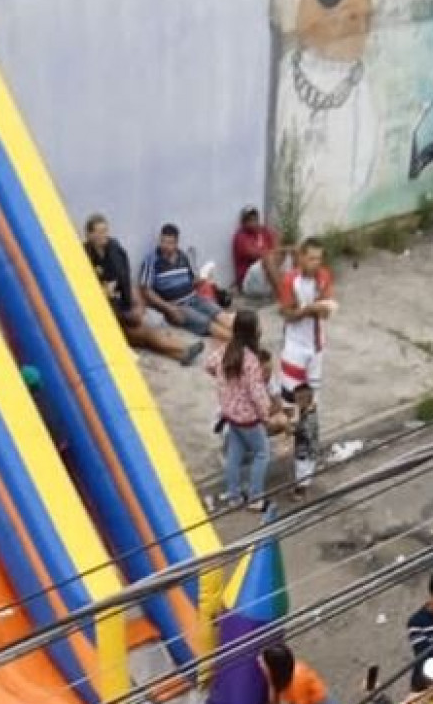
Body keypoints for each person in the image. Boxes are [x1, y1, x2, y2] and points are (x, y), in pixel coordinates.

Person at [84, 212, 199, 363]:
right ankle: (183, 350)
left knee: (143, 332)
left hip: (120, 303)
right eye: (100, 232)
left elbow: (126, 280)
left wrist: (136, 304)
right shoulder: (84, 255)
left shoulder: (114, 250)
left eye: (106, 230)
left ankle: (181, 353)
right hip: (105, 311)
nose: (104, 235)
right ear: (89, 234)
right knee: (143, 334)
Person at [206, 309, 286, 512]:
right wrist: (266, 414)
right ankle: (255, 498)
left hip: (230, 415)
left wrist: (225, 383)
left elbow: (208, 365)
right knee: (262, 453)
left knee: (235, 454)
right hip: (249, 418)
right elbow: (256, 393)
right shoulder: (250, 360)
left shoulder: (226, 351)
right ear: (253, 332)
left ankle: (233, 496)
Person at [276, 237, 336, 494]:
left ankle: (304, 476)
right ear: (300, 257)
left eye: (318, 258)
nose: (315, 263)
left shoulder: (324, 277)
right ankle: (285, 454)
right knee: (289, 407)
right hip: (294, 350)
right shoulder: (291, 280)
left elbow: (327, 310)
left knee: (309, 411)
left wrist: (311, 309)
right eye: (311, 258)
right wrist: (309, 308)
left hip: (315, 351)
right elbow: (287, 313)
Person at [140, 223, 232, 343]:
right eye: (163, 241)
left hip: (194, 298)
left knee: (218, 312)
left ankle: (247, 339)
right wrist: (168, 308)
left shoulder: (183, 256)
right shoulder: (151, 260)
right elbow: (145, 290)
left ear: (177, 243)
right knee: (206, 322)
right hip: (176, 306)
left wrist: (201, 279)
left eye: (170, 243)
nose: (165, 246)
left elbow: (192, 281)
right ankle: (239, 345)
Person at [231, 205, 279, 294]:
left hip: (265, 275)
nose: (253, 222)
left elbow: (277, 247)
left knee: (291, 252)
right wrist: (272, 253)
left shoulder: (264, 231)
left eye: (255, 218)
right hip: (247, 281)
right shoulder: (240, 236)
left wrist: (279, 253)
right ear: (243, 222)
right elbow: (253, 254)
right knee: (268, 258)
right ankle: (282, 294)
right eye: (249, 220)